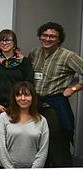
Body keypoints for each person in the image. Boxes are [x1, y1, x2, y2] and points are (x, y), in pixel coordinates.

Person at [28, 22, 83, 166]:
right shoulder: (34, 53)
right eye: (45, 35)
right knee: (37, 144)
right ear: (40, 37)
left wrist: (74, 88)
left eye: (52, 36)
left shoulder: (68, 56)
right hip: (34, 105)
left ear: (59, 39)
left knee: (57, 143)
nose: (47, 39)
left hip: (55, 105)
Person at [0, 29, 34, 151]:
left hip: (18, 105)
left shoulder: (24, 61)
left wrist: (18, 103)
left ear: (14, 43)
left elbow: (29, 83)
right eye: (2, 41)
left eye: (8, 40)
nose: (5, 43)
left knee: (17, 136)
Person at [0, 81, 49, 168]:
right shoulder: (4, 117)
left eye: (27, 95)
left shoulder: (42, 121)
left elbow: (43, 151)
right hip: (6, 168)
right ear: (14, 98)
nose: (23, 98)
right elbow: (1, 147)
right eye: (19, 95)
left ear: (33, 97)